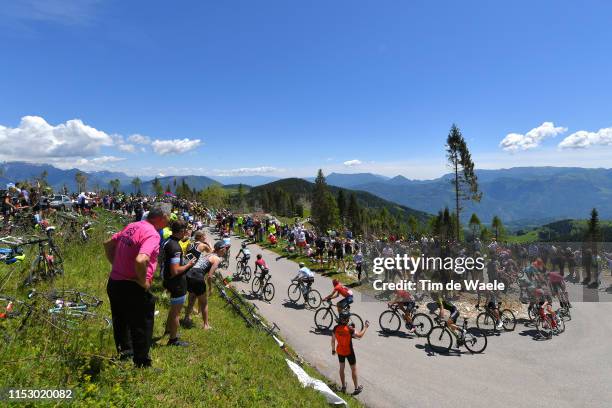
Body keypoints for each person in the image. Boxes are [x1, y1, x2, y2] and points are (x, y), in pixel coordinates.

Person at [104, 204, 170, 367]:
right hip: (133, 286)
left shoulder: (132, 226)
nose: (169, 220)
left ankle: (125, 352)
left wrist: (116, 265)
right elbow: (141, 259)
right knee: (142, 324)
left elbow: (107, 243)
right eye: (168, 217)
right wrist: (143, 282)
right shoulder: (152, 234)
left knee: (120, 320)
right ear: (161, 218)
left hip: (115, 282)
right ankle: (141, 363)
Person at [161, 220, 196, 346]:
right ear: (181, 231)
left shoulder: (167, 241)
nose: (186, 233)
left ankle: (169, 330)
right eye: (185, 231)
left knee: (173, 309)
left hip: (167, 279)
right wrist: (188, 264)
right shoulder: (175, 247)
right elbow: (175, 270)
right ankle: (173, 339)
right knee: (176, 312)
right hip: (177, 282)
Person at [183, 239, 227, 330]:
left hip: (190, 274)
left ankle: (186, 318)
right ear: (221, 249)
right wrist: (210, 288)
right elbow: (210, 276)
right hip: (198, 276)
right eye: (225, 248)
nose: (226, 250)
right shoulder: (217, 259)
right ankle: (206, 325)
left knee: (192, 297)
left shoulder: (208, 254)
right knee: (204, 302)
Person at [331, 311, 369, 395]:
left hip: (340, 351)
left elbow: (333, 340)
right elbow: (359, 336)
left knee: (341, 368)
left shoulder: (335, 328)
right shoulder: (350, 329)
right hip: (349, 352)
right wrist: (366, 327)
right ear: (348, 319)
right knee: (353, 369)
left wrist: (333, 350)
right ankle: (356, 388)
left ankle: (343, 387)